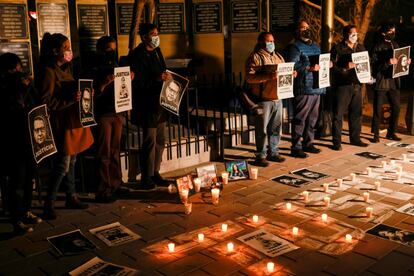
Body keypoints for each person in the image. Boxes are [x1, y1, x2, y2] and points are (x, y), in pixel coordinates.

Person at [37, 33, 93, 220]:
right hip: (61, 123)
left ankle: (72, 196)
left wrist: (84, 93)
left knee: (73, 161)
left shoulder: (67, 68)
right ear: (55, 51)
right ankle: (49, 203)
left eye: (70, 47)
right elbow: (45, 101)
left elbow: (71, 90)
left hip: (73, 121)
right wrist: (69, 100)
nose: (69, 51)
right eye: (66, 47)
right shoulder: (49, 71)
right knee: (63, 165)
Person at [0, 52, 42, 234]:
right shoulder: (4, 88)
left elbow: (37, 103)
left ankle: (26, 210)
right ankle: (16, 219)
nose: (18, 71)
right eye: (15, 69)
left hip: (29, 140)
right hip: (13, 142)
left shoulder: (25, 85)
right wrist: (19, 88)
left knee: (29, 179)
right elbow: (11, 110)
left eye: (19, 68)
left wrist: (28, 86)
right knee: (17, 181)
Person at [129, 23, 171, 189]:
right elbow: (137, 82)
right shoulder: (137, 55)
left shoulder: (157, 51)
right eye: (153, 33)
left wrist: (165, 77)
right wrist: (156, 78)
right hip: (146, 104)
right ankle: (146, 176)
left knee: (161, 140)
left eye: (157, 33)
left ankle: (155, 171)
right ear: (145, 36)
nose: (156, 36)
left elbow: (162, 71)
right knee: (149, 141)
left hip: (159, 103)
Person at [245, 31, 292, 167]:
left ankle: (274, 152)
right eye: (268, 41)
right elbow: (249, 78)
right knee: (262, 130)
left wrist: (291, 74)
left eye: (272, 41)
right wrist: (268, 77)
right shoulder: (255, 58)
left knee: (275, 128)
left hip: (277, 98)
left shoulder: (278, 56)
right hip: (263, 99)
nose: (271, 44)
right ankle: (260, 155)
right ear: (261, 43)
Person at [91, 36, 127, 203]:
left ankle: (116, 183)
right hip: (103, 114)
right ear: (100, 50)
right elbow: (91, 93)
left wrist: (128, 78)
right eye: (108, 49)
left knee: (114, 150)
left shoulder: (116, 65)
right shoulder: (94, 67)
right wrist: (104, 84)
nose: (111, 52)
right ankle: (103, 188)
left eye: (114, 49)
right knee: (104, 152)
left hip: (117, 112)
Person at [284, 20, 327, 158]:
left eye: (307, 27)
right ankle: (295, 147)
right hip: (303, 88)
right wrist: (309, 68)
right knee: (300, 119)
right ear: (297, 31)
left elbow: (320, 61)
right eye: (302, 27)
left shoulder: (315, 45)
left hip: (316, 87)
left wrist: (327, 64)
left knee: (312, 119)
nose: (306, 30)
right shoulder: (294, 47)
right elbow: (292, 66)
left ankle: (308, 143)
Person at [371, 23, 411, 143]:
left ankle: (391, 132)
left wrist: (405, 62)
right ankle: (376, 134)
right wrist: (387, 62)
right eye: (390, 31)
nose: (393, 33)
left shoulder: (395, 44)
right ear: (384, 33)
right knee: (378, 108)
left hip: (393, 81)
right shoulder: (377, 46)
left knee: (396, 107)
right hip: (382, 80)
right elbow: (374, 66)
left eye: (394, 31)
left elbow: (399, 60)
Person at [330, 25, 369, 150]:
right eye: (352, 34)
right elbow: (332, 66)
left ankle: (355, 138)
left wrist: (368, 76)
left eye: (356, 33)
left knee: (356, 113)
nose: (355, 36)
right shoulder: (337, 48)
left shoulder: (361, 47)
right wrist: (345, 68)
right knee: (338, 114)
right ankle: (337, 141)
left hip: (357, 85)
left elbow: (366, 63)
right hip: (343, 86)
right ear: (346, 35)